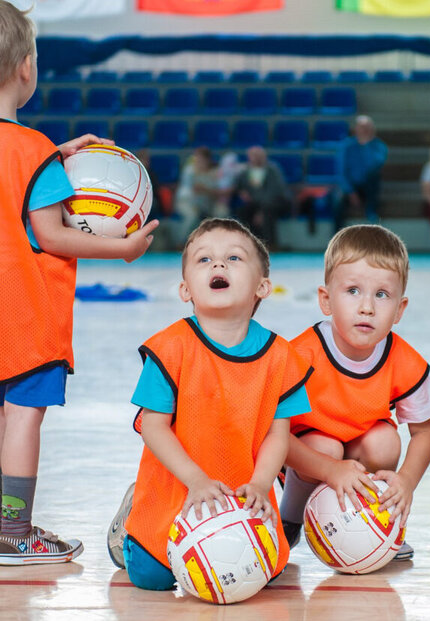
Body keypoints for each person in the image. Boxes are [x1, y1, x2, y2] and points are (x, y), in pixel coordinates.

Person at [0, 0, 158, 566]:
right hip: (24, 308)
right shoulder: (31, 150)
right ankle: (18, 533)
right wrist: (122, 248)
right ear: (27, 68)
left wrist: (55, 158)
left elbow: (4, 184)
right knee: (25, 416)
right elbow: (51, 235)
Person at [107, 218, 312, 591]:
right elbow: (153, 427)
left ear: (262, 287)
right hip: (179, 490)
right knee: (152, 578)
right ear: (186, 290)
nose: (218, 265)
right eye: (204, 260)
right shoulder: (170, 348)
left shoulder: (282, 357)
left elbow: (276, 436)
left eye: (234, 258)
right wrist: (197, 481)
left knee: (265, 576)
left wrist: (261, 483)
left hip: (239, 494)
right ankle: (136, 513)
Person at [277, 224, 430, 561]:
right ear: (326, 299)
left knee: (385, 441)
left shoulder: (403, 359)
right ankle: (290, 518)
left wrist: (406, 481)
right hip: (303, 452)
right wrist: (328, 469)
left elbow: (426, 432)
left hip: (360, 450)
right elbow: (271, 433)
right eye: (353, 291)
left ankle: (372, 520)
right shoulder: (299, 355)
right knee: (326, 445)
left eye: (382, 295)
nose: (367, 307)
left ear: (400, 309)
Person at [335, 115, 388, 230]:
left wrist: (366, 145)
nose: (364, 130)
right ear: (356, 129)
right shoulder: (346, 146)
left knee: (374, 179)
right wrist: (351, 192)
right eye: (361, 127)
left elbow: (374, 166)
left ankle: (372, 216)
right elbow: (341, 172)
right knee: (337, 200)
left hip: (369, 187)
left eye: (367, 127)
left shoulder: (379, 146)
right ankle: (336, 236)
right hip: (350, 186)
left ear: (372, 129)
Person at [233, 145, 290, 249]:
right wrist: (242, 192)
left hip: (274, 202)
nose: (256, 158)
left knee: (267, 211)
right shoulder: (245, 171)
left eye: (259, 155)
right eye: (253, 156)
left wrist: (260, 211)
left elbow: (274, 192)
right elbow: (239, 186)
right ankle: (250, 243)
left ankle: (270, 244)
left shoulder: (272, 170)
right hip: (254, 203)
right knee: (243, 211)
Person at [174, 146, 220, 239]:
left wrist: (206, 189)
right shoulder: (189, 170)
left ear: (207, 160)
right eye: (197, 158)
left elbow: (215, 192)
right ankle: (179, 243)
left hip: (204, 204)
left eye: (201, 159)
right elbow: (193, 190)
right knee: (192, 217)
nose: (198, 160)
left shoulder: (214, 172)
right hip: (185, 202)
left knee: (218, 215)